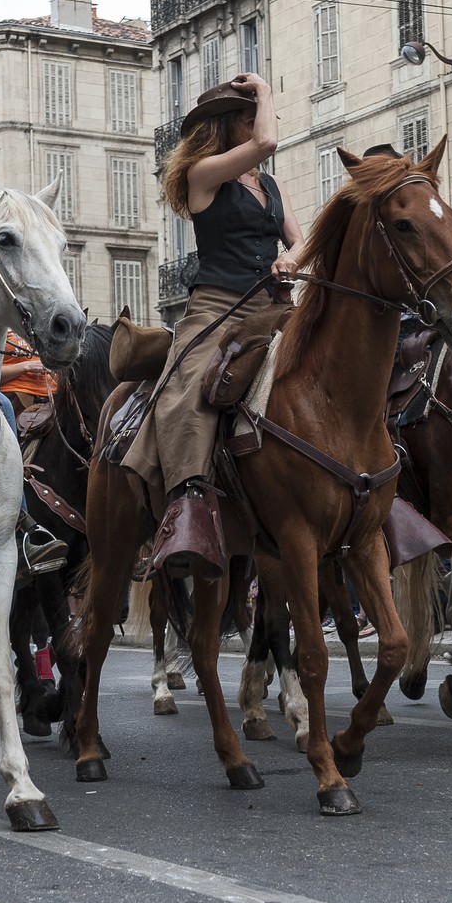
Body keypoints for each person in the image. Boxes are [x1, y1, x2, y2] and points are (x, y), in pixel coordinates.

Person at [120, 74, 303, 579]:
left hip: (272, 306)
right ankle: (188, 503)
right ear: (228, 127)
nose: (260, 124)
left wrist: (292, 262)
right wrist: (267, 88)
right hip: (216, 309)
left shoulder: (270, 185)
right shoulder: (203, 175)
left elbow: (300, 240)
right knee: (193, 389)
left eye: (258, 113)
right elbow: (268, 141)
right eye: (249, 116)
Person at [0, 329, 56, 415]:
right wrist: (26, 366)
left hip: (54, 393)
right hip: (16, 395)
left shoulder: (44, 326)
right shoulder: (0, 329)